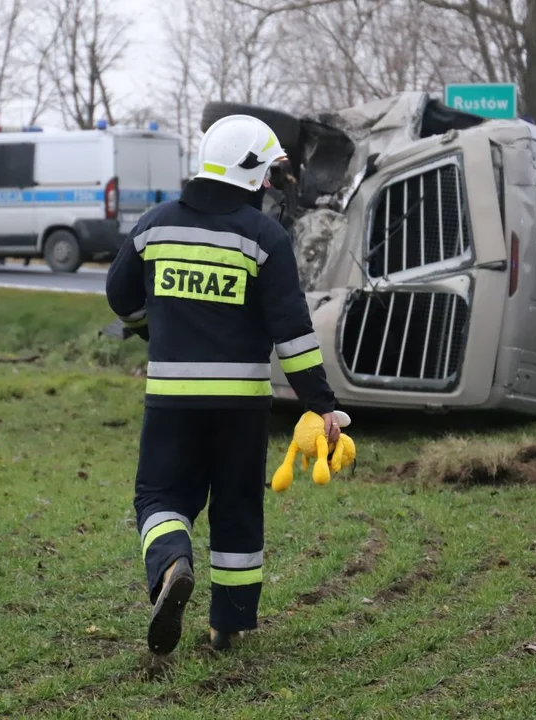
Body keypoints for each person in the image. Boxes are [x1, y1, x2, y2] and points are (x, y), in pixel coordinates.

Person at [105, 114, 340, 655]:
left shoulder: (154, 225)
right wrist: (321, 404)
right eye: (269, 172)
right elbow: (293, 333)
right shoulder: (264, 237)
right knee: (236, 508)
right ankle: (226, 627)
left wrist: (152, 329)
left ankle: (171, 566)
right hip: (240, 408)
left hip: (171, 401)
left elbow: (121, 299)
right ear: (251, 172)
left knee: (161, 495)